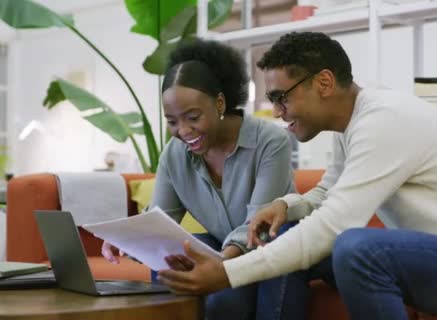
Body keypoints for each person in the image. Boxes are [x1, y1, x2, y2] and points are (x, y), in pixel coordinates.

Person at [157, 32, 437, 320]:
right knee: (280, 236)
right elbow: (327, 193)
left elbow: (335, 225)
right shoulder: (353, 123)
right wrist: (286, 204)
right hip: (429, 258)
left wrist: (227, 274)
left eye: (282, 97)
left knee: (354, 247)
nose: (278, 111)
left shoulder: (385, 120)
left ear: (325, 82)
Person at [101, 38, 299, 320]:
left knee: (221, 303)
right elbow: (161, 218)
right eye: (172, 121)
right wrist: (130, 238)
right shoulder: (175, 153)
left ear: (220, 103)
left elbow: (257, 227)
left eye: (192, 117)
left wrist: (218, 267)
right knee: (173, 256)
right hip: (222, 248)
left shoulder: (271, 141)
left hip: (266, 250)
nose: (183, 131)